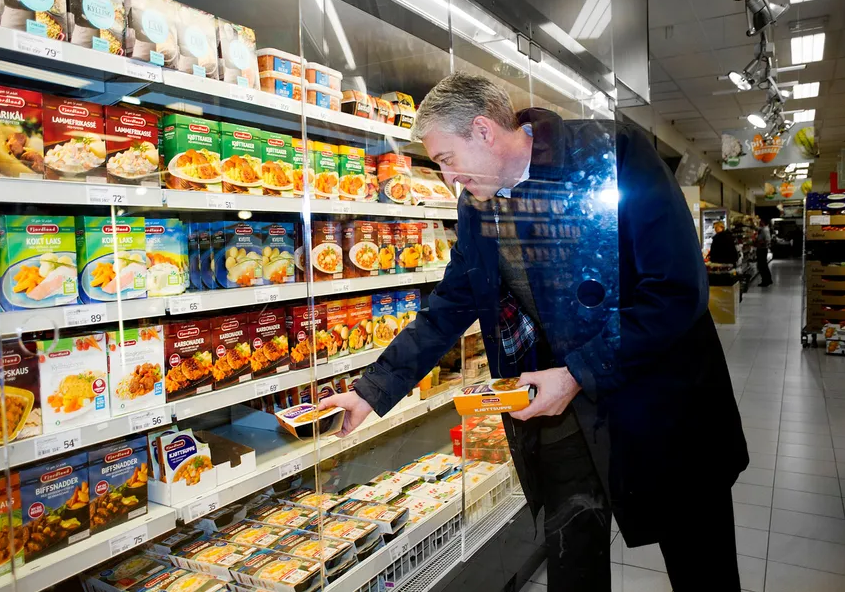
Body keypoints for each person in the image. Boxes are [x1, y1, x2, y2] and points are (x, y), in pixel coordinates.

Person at [319, 73, 748, 591]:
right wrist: (372, 391)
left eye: (446, 160)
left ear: (483, 131)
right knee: (573, 567)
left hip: (663, 401)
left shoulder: (613, 155)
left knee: (701, 565)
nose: (447, 178)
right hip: (561, 414)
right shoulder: (477, 205)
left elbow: (675, 291)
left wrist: (577, 372)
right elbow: (451, 304)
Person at [756, 218, 773, 286]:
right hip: (763, 249)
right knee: (764, 265)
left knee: (762, 266)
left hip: (762, 249)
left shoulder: (764, 229)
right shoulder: (764, 228)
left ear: (763, 222)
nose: (759, 222)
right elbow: (757, 228)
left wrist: (758, 243)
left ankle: (765, 281)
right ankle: (769, 279)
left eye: (760, 221)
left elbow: (767, 240)